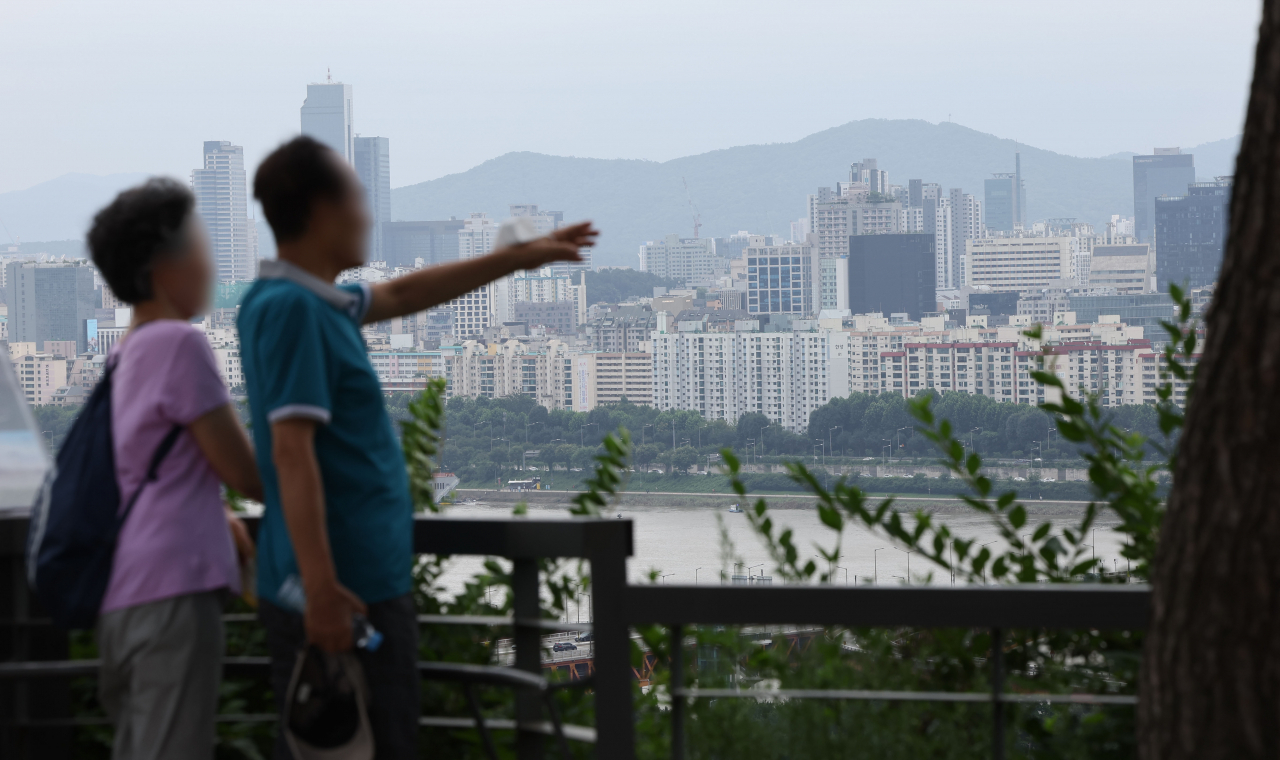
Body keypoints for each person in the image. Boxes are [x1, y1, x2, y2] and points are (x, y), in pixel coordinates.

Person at [241, 135, 596, 758]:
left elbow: (405, 295)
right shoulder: (295, 310)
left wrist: (516, 261)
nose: (367, 214)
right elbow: (292, 453)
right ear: (322, 210)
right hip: (343, 593)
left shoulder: (309, 302)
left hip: (356, 580)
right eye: (357, 198)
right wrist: (321, 591)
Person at [87, 178, 263, 759]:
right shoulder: (179, 345)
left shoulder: (126, 351)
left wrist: (216, 516)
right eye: (201, 244)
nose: (211, 262)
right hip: (173, 597)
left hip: (124, 594)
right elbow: (248, 472)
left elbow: (149, 469)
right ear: (164, 265)